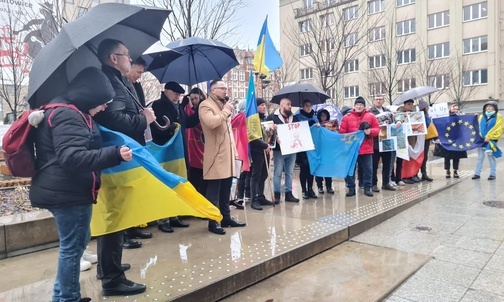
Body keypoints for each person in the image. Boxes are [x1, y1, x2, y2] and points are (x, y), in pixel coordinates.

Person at [29, 67, 133, 302]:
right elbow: (72, 158)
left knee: (74, 246)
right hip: (68, 192)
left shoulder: (66, 111)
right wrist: (114, 154)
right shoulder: (69, 115)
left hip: (65, 189)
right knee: (72, 249)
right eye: (103, 101)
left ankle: (65, 295)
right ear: (92, 95)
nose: (105, 106)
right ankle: (67, 298)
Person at [93, 39, 156, 296]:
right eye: (126, 55)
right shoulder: (110, 82)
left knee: (115, 214)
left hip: (117, 156)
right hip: (118, 158)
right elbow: (116, 120)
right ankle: (113, 278)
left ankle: (108, 266)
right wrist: (143, 119)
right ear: (114, 58)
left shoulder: (114, 80)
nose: (131, 59)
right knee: (116, 215)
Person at [199, 79, 246, 235]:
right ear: (213, 90)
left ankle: (226, 217)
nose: (226, 91)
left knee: (226, 188)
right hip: (215, 157)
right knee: (214, 191)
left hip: (228, 155)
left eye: (226, 88)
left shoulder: (221, 105)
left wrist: (234, 151)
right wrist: (225, 110)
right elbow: (212, 123)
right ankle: (213, 222)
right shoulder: (205, 105)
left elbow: (228, 131)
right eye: (222, 88)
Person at [150, 81, 191, 233]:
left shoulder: (179, 107)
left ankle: (175, 216)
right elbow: (157, 128)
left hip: (178, 152)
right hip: (165, 152)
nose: (177, 97)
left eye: (179, 95)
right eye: (175, 94)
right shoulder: (157, 105)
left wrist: (196, 107)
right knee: (165, 185)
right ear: (166, 91)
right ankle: (163, 219)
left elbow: (188, 123)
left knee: (177, 184)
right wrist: (172, 127)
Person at [123, 56, 153, 243]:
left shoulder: (136, 86)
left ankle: (134, 227)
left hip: (138, 140)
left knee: (137, 188)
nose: (139, 76)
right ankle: (126, 232)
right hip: (127, 144)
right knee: (127, 188)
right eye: (138, 72)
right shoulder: (119, 87)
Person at [339, 96, 380, 197]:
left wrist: (370, 131)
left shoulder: (371, 116)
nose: (359, 106)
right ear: (354, 106)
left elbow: (377, 129)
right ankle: (351, 188)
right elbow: (342, 133)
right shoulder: (347, 117)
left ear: (364, 106)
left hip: (366, 148)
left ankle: (367, 188)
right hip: (351, 149)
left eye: (361, 105)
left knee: (368, 169)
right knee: (351, 170)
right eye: (357, 104)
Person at [268, 98, 300, 203]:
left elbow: (299, 132)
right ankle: (277, 194)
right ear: (281, 106)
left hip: (291, 150)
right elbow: (267, 132)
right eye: (288, 104)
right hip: (279, 150)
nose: (290, 106)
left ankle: (288, 193)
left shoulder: (294, 118)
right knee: (277, 172)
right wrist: (273, 132)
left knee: (289, 172)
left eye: (290, 105)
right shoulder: (272, 117)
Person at [249, 98, 273, 210]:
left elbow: (267, 135)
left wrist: (273, 135)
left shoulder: (264, 119)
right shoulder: (252, 120)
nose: (264, 107)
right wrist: (264, 145)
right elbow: (252, 137)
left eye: (265, 105)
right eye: (262, 105)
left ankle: (261, 196)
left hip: (265, 150)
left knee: (264, 174)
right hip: (257, 151)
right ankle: (254, 199)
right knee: (256, 176)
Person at [369, 96, 397, 192]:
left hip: (387, 141)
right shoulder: (370, 112)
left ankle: (386, 183)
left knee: (387, 163)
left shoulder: (388, 111)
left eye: (380, 99)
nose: (378, 100)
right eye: (376, 99)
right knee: (374, 164)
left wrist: (398, 122)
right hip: (375, 142)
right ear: (373, 101)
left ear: (383, 101)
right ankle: (373, 184)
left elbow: (394, 122)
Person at [184, 87, 208, 195]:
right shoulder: (188, 110)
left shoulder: (206, 110)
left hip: (204, 146)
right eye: (192, 99)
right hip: (192, 147)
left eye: (196, 98)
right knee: (194, 178)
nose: (194, 101)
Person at [472, 100, 503, 180]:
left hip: (490, 141)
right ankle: (477, 173)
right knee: (480, 157)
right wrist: (475, 118)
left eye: (490, 106)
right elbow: (477, 126)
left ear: (494, 108)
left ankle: (492, 174)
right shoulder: (482, 116)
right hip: (482, 140)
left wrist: (490, 137)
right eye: (487, 106)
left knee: (490, 157)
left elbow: (499, 129)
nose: (488, 108)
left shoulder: (498, 117)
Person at [295, 99, 319, 199]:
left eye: (310, 106)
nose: (308, 108)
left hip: (312, 146)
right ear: (303, 107)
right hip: (302, 147)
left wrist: (317, 126)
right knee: (304, 168)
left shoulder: (315, 116)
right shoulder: (298, 117)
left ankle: (310, 189)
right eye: (306, 106)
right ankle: (304, 190)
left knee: (311, 169)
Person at [441, 104, 467, 178]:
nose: (455, 110)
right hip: (447, 139)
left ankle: (455, 170)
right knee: (447, 156)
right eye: (454, 109)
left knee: (456, 156)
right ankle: (447, 171)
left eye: (457, 109)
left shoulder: (460, 118)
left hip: (457, 139)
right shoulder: (445, 117)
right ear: (450, 109)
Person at [315, 109, 335, 194]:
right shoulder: (316, 125)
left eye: (325, 115)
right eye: (321, 115)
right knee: (319, 168)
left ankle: (329, 186)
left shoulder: (331, 124)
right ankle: (319, 186)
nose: (323, 117)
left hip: (328, 149)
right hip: (319, 149)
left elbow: (335, 135)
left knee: (328, 168)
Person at [418, 99, 433, 181]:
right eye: (427, 106)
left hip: (425, 138)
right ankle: (422, 173)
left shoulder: (426, 115)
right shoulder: (422, 115)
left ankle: (423, 173)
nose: (428, 108)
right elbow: (426, 125)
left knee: (424, 156)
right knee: (422, 156)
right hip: (422, 138)